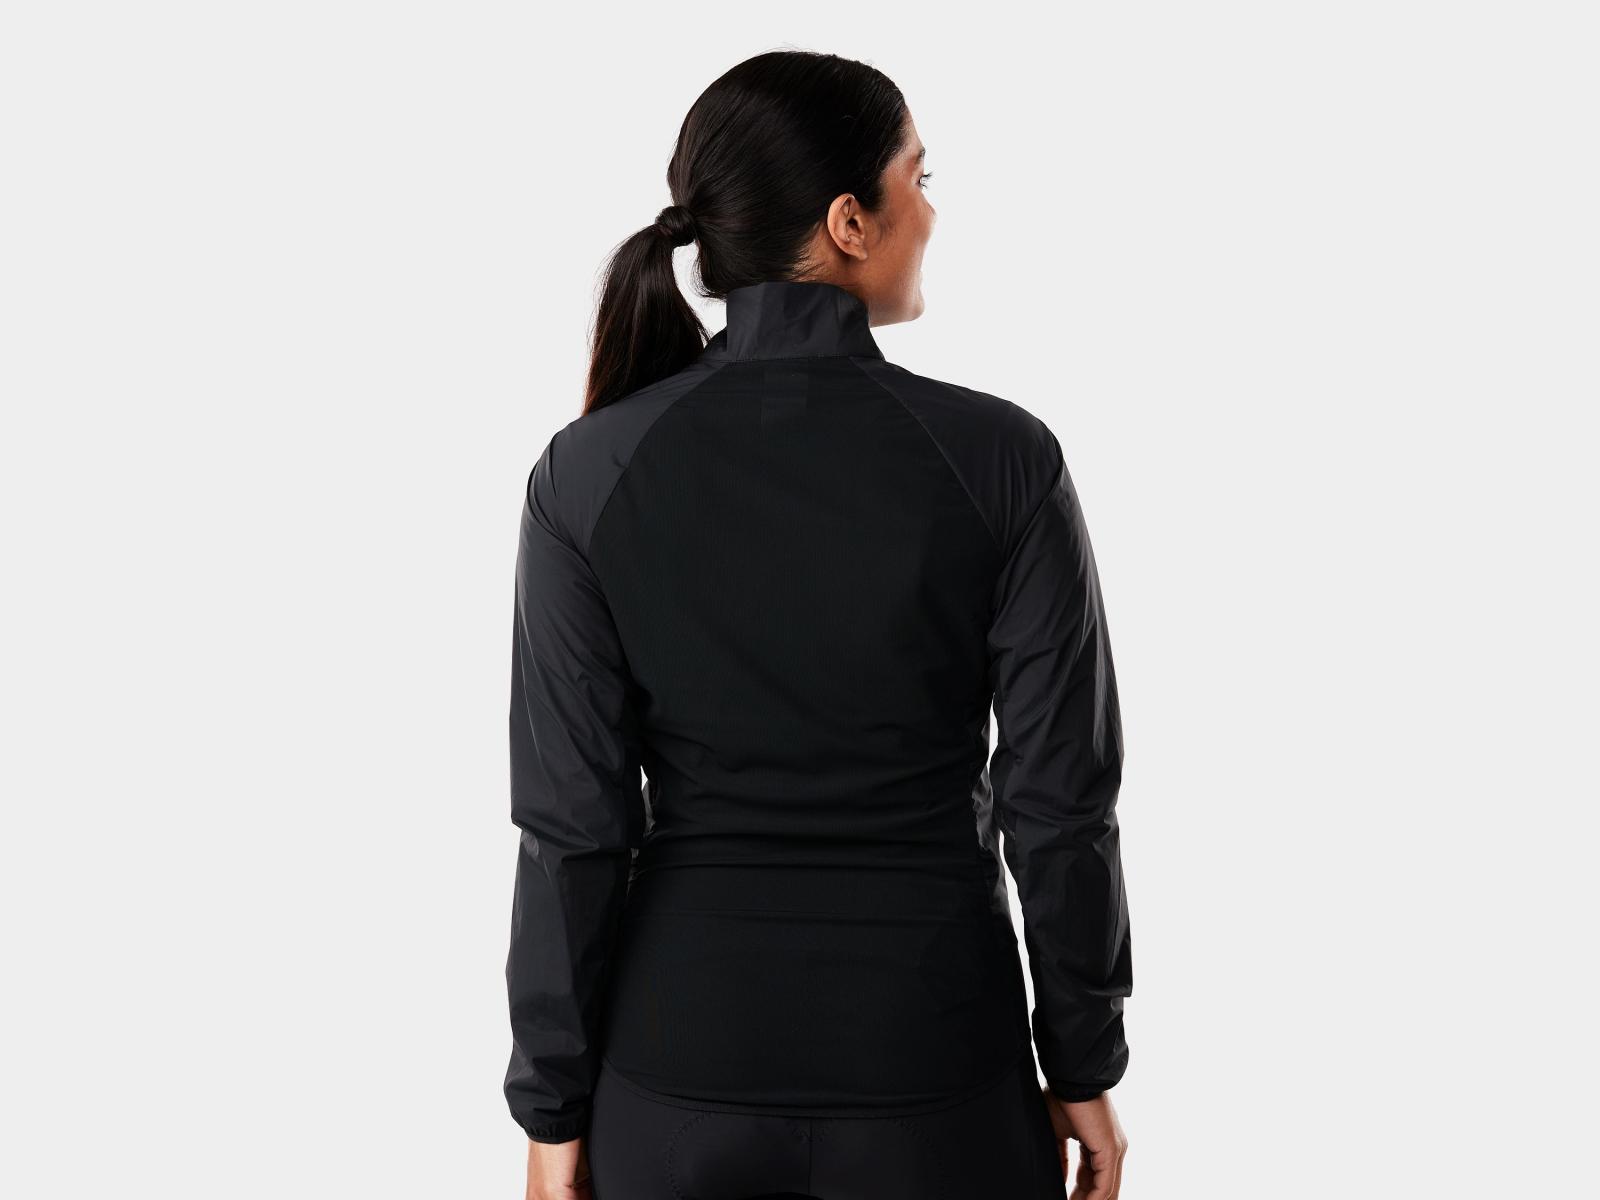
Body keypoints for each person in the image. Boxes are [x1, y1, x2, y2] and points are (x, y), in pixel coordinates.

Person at [504, 49, 1132, 1200]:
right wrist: (1083, 1060)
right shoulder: (1001, 461)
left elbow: (572, 829)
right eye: (918, 178)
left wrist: (552, 1107)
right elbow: (1058, 808)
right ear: (849, 222)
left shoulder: (587, 473)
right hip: (934, 1071)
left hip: (676, 1074)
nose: (930, 212)